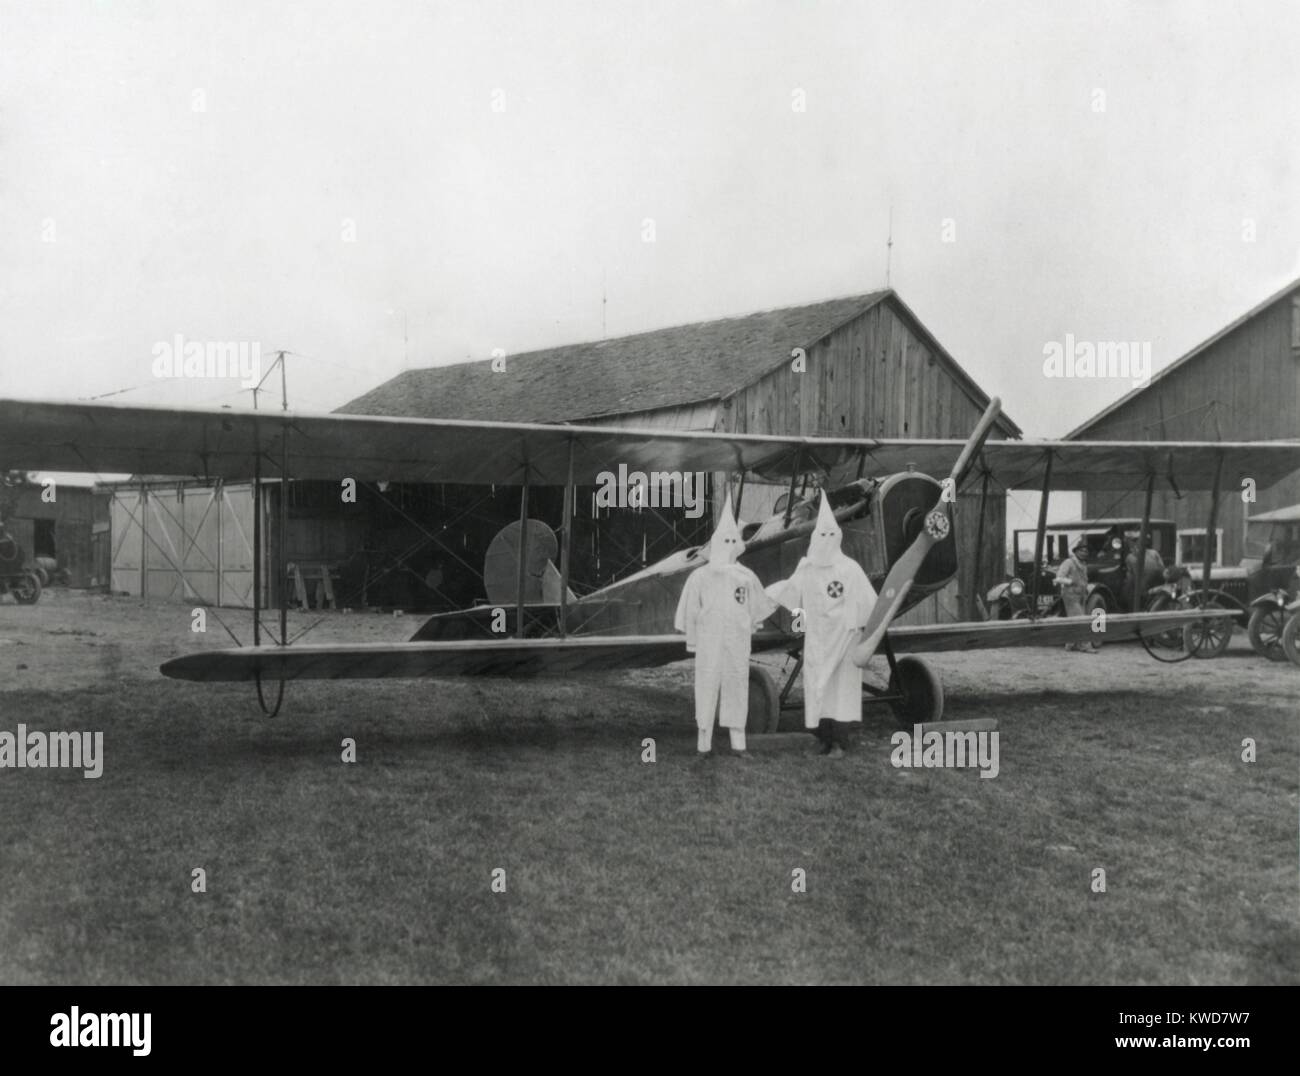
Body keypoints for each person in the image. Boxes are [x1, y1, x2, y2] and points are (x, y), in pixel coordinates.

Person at [765, 493, 877, 758]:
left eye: (830, 535)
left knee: (840, 691)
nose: (826, 541)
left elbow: (867, 602)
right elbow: (797, 598)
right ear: (815, 537)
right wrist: (799, 627)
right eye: (821, 535)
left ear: (837, 537)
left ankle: (839, 742)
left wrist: (857, 630)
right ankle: (821, 739)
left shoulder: (850, 569)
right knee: (817, 689)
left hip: (843, 641)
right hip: (816, 640)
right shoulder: (808, 568)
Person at [674, 495, 777, 761]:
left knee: (737, 686)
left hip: (737, 642)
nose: (728, 546)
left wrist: (748, 626)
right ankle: (703, 745)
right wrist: (693, 640)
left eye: (733, 541)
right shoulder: (700, 577)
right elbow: (690, 610)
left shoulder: (746, 577)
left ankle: (738, 744)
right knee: (706, 686)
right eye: (724, 541)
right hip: (710, 642)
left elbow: (757, 609)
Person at [1054, 538, 1097, 652]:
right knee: (1081, 619)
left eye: (1086, 551)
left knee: (1074, 620)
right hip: (1070, 595)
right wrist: (1070, 582)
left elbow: (1084, 580)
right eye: (1082, 550)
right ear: (1076, 551)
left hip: (1080, 595)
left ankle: (1071, 644)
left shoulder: (1083, 565)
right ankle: (1085, 646)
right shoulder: (1069, 562)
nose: (1084, 553)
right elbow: (1058, 578)